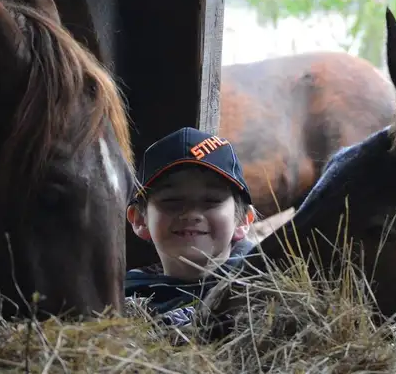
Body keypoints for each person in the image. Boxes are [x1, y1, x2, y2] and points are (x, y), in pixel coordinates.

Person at [124, 126, 293, 326]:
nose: (191, 214)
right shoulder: (123, 299)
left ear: (243, 220)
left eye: (211, 201)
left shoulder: (267, 290)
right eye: (171, 201)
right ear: (139, 220)